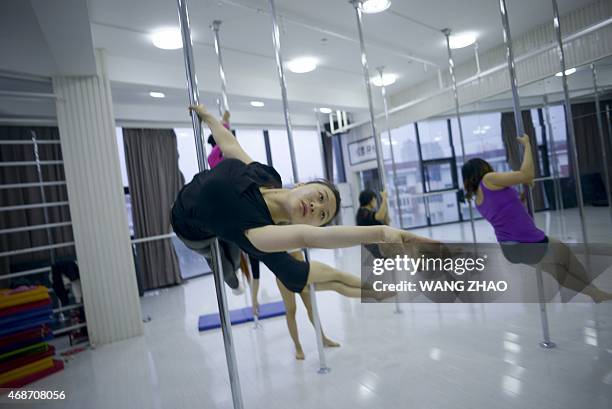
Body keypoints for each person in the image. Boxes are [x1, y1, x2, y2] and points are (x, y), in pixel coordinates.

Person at [171, 104, 433, 301]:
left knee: (222, 257)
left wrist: (383, 232)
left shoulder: (263, 233)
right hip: (186, 193)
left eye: (321, 215)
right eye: (320, 197)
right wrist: (210, 119)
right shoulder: (267, 175)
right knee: (228, 248)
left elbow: (313, 238)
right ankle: (230, 268)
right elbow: (231, 147)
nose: (316, 207)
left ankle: (229, 273)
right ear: (302, 185)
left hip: (187, 227)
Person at [461, 134, 612, 303]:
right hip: (528, 242)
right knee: (565, 260)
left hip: (512, 248)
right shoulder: (489, 179)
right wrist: (527, 146)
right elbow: (526, 174)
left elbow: (512, 208)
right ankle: (596, 293)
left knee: (558, 269)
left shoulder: (478, 200)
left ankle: (595, 294)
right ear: (483, 168)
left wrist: (525, 193)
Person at [249, 252, 340, 360]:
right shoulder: (254, 246)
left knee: (310, 306)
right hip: (283, 276)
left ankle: (323, 338)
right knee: (291, 310)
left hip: (300, 269)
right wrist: (254, 299)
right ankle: (298, 347)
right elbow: (255, 276)